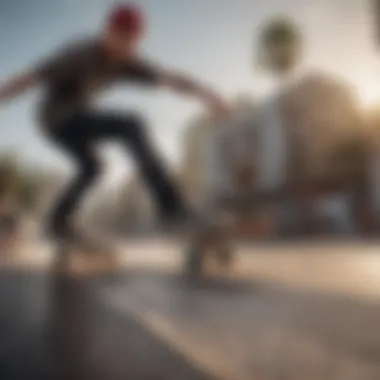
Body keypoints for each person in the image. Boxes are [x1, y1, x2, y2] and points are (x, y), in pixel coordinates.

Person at [0, 3, 229, 244]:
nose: (126, 49)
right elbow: (31, 78)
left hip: (72, 121)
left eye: (133, 43)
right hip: (56, 118)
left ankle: (58, 221)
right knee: (131, 125)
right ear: (108, 32)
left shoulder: (128, 63)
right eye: (122, 40)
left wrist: (208, 95)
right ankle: (171, 210)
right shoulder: (79, 54)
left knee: (94, 167)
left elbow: (169, 79)